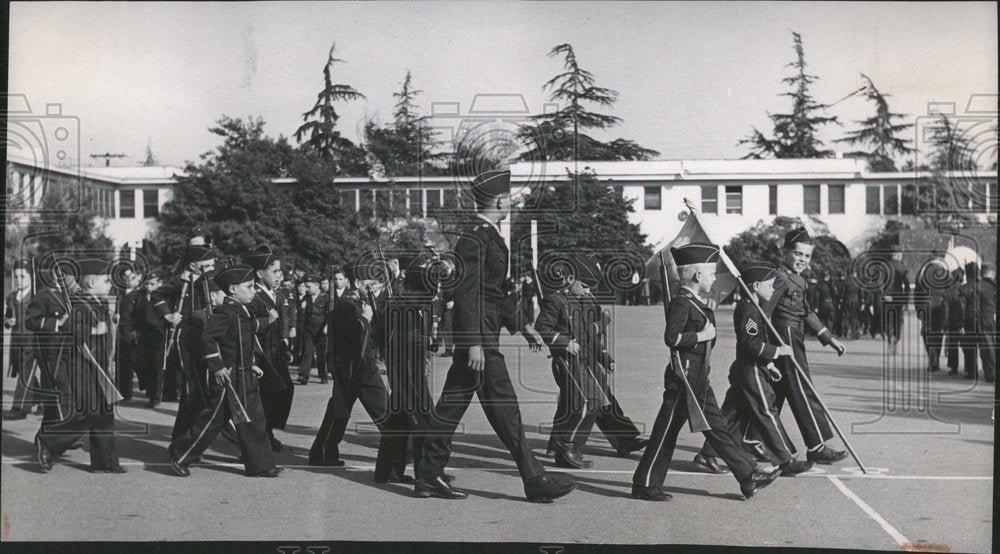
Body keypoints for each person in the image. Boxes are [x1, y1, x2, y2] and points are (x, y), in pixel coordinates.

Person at [414, 169, 574, 503]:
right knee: (498, 408)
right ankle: (532, 479)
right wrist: (472, 341)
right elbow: (468, 291)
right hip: (481, 338)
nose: (511, 204)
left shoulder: (484, 235)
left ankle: (428, 474)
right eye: (509, 199)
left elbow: (494, 291)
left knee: (462, 406)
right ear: (500, 201)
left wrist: (525, 325)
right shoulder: (475, 238)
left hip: (485, 333)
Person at [631, 243, 781, 501]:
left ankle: (748, 477)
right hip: (684, 378)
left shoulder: (695, 302)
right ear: (698, 276)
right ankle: (644, 484)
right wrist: (700, 334)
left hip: (699, 376)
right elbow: (672, 338)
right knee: (666, 431)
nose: (714, 278)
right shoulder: (681, 303)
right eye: (711, 273)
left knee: (718, 427)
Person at [694, 262, 813, 477]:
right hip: (750, 370)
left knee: (732, 415)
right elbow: (749, 343)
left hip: (750, 368)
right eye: (770, 285)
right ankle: (785, 460)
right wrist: (777, 352)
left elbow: (754, 340)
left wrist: (769, 364)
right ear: (756, 286)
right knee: (767, 411)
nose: (773, 289)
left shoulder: (754, 307)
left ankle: (707, 454)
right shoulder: (748, 309)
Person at [168, 264, 281, 478]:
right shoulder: (225, 312)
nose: (253, 291)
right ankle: (180, 456)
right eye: (248, 287)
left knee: (255, 421)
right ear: (232, 290)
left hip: (245, 374)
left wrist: (251, 364)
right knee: (212, 421)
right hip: (229, 377)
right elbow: (208, 338)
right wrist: (217, 367)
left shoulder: (243, 311)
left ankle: (262, 464)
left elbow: (244, 340)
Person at [535, 254, 647, 469]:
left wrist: (604, 358)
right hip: (568, 361)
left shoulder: (584, 301)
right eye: (585, 286)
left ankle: (574, 446)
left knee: (599, 400)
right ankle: (567, 449)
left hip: (587, 360)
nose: (589, 292)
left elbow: (590, 335)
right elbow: (543, 328)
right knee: (585, 404)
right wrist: (564, 342)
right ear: (569, 279)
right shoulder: (555, 300)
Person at [750, 228, 848, 465]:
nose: (803, 260)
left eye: (807, 256)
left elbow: (806, 311)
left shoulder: (799, 279)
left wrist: (828, 337)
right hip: (783, 339)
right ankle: (816, 446)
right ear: (785, 253)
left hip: (794, 335)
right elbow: (763, 313)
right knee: (802, 389)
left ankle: (746, 439)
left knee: (774, 394)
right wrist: (762, 349)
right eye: (798, 254)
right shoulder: (780, 277)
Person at [33, 258, 125, 474]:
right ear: (91, 283)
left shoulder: (100, 302)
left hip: (99, 366)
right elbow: (69, 328)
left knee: (104, 412)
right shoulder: (77, 302)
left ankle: (105, 461)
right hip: (80, 364)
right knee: (88, 412)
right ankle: (49, 441)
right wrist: (93, 331)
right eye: (106, 281)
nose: (110, 284)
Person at [308, 261, 390, 467]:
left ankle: (322, 452)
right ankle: (399, 450)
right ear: (358, 283)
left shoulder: (361, 302)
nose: (374, 288)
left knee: (340, 409)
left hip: (362, 365)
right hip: (353, 366)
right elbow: (351, 332)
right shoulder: (345, 305)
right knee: (381, 408)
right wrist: (365, 318)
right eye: (370, 284)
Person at [374, 261, 442, 484]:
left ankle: (387, 470)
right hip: (407, 373)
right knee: (425, 421)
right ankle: (427, 476)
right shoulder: (403, 306)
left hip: (404, 370)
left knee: (397, 422)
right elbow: (404, 338)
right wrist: (428, 340)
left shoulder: (401, 303)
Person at [245, 245, 295, 451]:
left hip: (275, 353)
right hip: (261, 354)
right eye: (274, 271)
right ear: (259, 273)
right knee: (266, 395)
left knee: (284, 390)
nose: (279, 275)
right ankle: (262, 436)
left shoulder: (273, 293)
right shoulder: (254, 296)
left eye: (279, 271)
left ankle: (268, 431)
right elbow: (249, 327)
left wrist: (284, 345)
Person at [4, 259, 39, 419]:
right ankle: (42, 400)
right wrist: (8, 321)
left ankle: (20, 408)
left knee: (26, 371)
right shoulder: (12, 297)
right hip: (17, 341)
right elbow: (7, 318)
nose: (19, 280)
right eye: (16, 277)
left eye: (23, 276)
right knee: (23, 370)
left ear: (31, 277)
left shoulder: (36, 297)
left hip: (33, 339)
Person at [135, 270, 168, 404]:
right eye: (147, 284)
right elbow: (137, 315)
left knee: (157, 366)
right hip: (144, 335)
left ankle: (156, 397)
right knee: (144, 364)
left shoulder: (163, 298)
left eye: (152, 284)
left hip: (158, 335)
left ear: (159, 284)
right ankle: (150, 390)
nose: (149, 287)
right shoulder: (141, 297)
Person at [961, 263, 996, 383]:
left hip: (983, 320)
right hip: (993, 319)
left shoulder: (977, 287)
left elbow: (975, 306)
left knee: (987, 348)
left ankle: (990, 373)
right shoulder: (994, 286)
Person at [115, 262, 144, 401]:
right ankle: (124, 393)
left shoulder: (139, 295)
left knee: (136, 363)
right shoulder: (119, 293)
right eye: (125, 277)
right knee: (122, 363)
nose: (128, 281)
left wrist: (136, 330)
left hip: (132, 332)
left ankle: (148, 389)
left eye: (131, 277)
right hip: (119, 331)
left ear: (138, 277)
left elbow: (140, 315)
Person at [915, 260, 950, 373]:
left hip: (926, 305)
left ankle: (932, 357)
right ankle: (935, 358)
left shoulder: (922, 273)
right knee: (938, 332)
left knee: (926, 332)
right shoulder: (946, 274)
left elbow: (918, 292)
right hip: (940, 305)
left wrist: (918, 309)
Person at [295, 273, 330, 385]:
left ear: (316, 285)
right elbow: (301, 313)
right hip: (309, 328)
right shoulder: (307, 297)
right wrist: (302, 307)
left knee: (321, 353)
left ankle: (323, 375)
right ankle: (303, 375)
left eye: (309, 287)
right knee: (307, 351)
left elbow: (329, 314)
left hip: (321, 328)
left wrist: (327, 326)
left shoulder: (325, 298)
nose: (307, 289)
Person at [883, 245, 911, 354]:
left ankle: (890, 337)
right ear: (899, 254)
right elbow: (908, 286)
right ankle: (896, 339)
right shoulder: (903, 267)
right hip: (899, 298)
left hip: (887, 298)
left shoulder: (884, 265)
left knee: (888, 321)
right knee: (898, 322)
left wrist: (884, 295)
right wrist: (906, 301)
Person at [944, 268, 966, 375]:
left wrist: (945, 323)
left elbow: (946, 309)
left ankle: (954, 368)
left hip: (952, 322)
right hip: (964, 322)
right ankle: (970, 367)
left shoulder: (948, 291)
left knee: (953, 345)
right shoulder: (964, 289)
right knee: (966, 345)